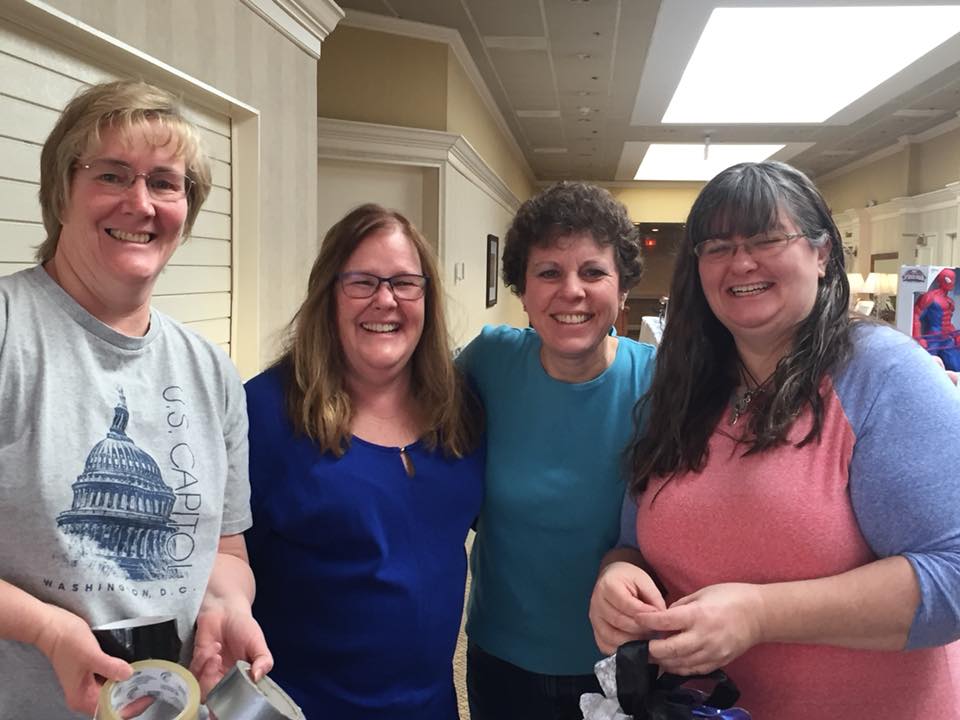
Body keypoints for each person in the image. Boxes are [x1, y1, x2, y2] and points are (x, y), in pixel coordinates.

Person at [590, 161, 960, 718]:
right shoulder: (684, 384)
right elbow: (634, 540)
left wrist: (760, 614)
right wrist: (618, 574)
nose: (741, 262)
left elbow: (952, 577)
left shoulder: (884, 376)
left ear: (822, 253)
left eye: (766, 239)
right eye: (718, 246)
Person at [0, 80, 272, 719]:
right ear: (61, 191)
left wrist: (227, 604)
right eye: (112, 175)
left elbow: (225, 551)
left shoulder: (212, 371)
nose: (141, 203)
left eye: (165, 183)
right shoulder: (9, 331)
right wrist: (45, 627)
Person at [244, 204, 484, 719]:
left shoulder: (459, 408)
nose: (385, 299)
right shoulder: (264, 414)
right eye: (362, 282)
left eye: (405, 283)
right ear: (328, 294)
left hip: (432, 707)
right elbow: (219, 567)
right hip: (304, 707)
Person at [458, 182, 657, 720]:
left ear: (622, 290)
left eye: (593, 272)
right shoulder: (488, 361)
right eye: (549, 272)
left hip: (621, 661)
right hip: (501, 656)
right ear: (523, 291)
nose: (572, 291)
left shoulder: (659, 384)